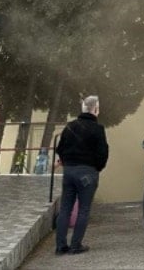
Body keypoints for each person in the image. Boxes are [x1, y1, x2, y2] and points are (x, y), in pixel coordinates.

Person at [54, 95, 108, 255]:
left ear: (83, 108)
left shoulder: (70, 126)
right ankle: (75, 245)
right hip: (87, 173)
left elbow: (60, 148)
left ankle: (60, 246)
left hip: (69, 171)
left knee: (65, 209)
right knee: (83, 209)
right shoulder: (98, 129)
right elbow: (103, 153)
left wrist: (67, 162)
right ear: (96, 109)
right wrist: (97, 168)